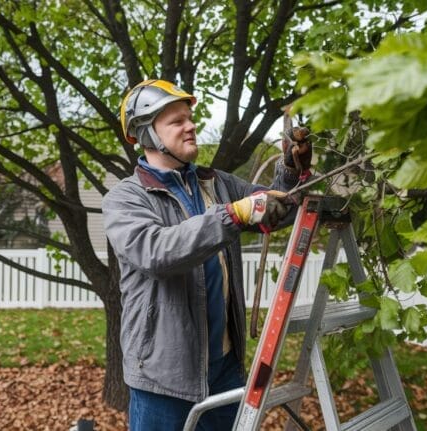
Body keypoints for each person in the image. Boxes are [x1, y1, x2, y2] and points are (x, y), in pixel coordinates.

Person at [102, 79, 312, 430]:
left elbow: (278, 208)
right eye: (176, 121)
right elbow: (157, 252)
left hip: (224, 368)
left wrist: (290, 169)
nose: (191, 126)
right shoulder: (125, 199)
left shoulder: (217, 183)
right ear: (145, 134)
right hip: (163, 378)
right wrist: (233, 215)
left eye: (189, 117)